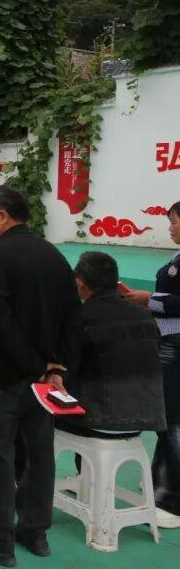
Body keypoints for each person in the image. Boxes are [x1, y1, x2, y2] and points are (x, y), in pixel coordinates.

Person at [0, 184, 81, 566]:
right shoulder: (54, 256)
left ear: (2, 216)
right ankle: (35, 531)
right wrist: (57, 367)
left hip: (2, 379)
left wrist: (36, 365)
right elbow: (73, 317)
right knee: (38, 457)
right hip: (43, 382)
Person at [57, 251, 165, 438]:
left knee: (39, 408)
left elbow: (67, 365)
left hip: (100, 418)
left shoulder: (82, 317)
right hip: (146, 417)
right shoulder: (144, 314)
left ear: (80, 283)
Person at [121, 199, 180, 529]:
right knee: (168, 418)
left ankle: (173, 501)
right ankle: (162, 484)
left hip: (177, 345)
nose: (170, 228)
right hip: (169, 340)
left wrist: (151, 300)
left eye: (174, 221)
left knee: (172, 421)